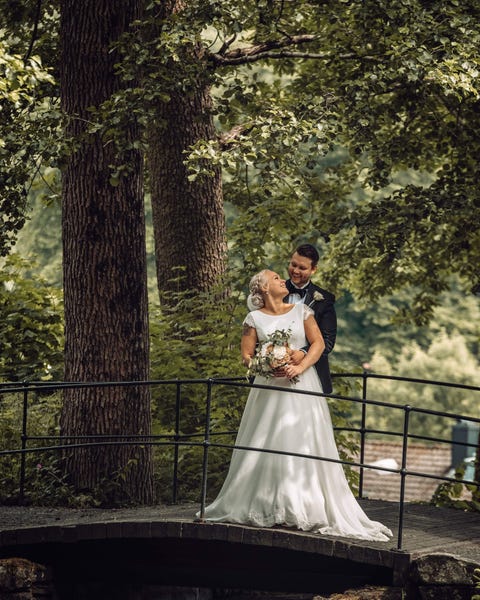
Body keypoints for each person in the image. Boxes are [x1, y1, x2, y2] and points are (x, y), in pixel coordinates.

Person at [200, 269, 392, 542]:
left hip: (302, 384)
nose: (283, 280)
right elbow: (246, 356)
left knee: (303, 440)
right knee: (265, 440)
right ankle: (266, 504)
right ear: (264, 288)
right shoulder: (253, 319)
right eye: (276, 278)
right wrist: (266, 364)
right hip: (268, 388)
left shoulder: (302, 311)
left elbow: (318, 344)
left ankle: (303, 505)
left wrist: (299, 366)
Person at [285, 244, 336, 394]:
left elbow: (328, 342)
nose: (295, 271)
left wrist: (303, 352)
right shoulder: (275, 290)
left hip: (310, 372)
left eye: (302, 268)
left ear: (313, 269)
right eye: (293, 265)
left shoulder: (325, 299)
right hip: (274, 370)